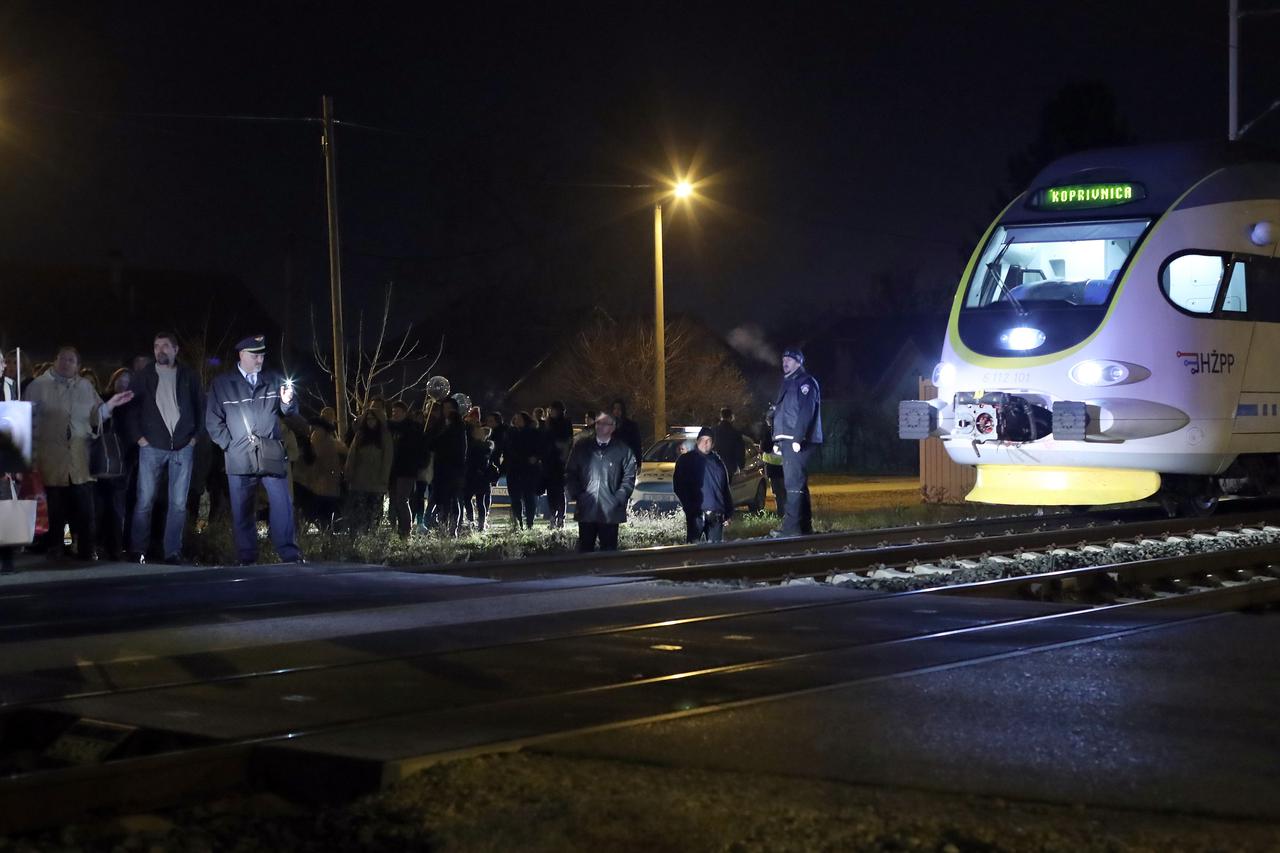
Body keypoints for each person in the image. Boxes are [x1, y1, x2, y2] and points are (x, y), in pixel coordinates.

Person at [26, 346, 134, 559]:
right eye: (63, 359)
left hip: (80, 458)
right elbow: (27, 419)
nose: (67, 363)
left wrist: (111, 404)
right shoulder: (38, 386)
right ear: (55, 360)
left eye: (72, 360)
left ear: (78, 365)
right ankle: (55, 546)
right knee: (55, 509)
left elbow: (97, 416)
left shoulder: (85, 387)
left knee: (86, 509)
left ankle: (87, 548)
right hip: (51, 458)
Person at [205, 335, 303, 565]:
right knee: (242, 509)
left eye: (261, 355)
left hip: (270, 452)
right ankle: (247, 558)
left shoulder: (273, 380)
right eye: (254, 355)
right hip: (239, 455)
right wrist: (228, 445)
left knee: (282, 504)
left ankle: (289, 555)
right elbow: (212, 420)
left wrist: (288, 401)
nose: (259, 360)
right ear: (241, 355)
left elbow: (289, 411)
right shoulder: (222, 384)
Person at [122, 332, 204, 564]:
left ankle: (172, 552)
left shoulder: (188, 376)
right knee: (144, 500)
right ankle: (137, 550)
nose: (160, 350)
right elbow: (131, 409)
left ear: (176, 350)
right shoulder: (144, 376)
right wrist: (139, 438)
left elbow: (201, 407)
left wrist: (194, 438)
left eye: (166, 346)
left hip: (182, 445)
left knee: (178, 503)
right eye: (157, 346)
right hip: (151, 445)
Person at [565, 411, 637, 552]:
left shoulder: (622, 450)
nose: (600, 426)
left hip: (610, 511)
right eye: (598, 423)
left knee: (609, 552)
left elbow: (629, 477)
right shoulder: (582, 447)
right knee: (585, 550)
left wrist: (618, 498)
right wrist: (579, 494)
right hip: (587, 508)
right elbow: (570, 472)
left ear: (612, 427)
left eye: (605, 423)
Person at [771, 347, 822, 537]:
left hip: (798, 439)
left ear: (799, 362)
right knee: (798, 483)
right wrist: (776, 439)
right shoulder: (787, 383)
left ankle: (791, 529)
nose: (785, 362)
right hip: (787, 439)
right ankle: (804, 526)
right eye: (783, 359)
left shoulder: (805, 383)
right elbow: (781, 413)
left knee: (793, 483)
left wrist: (798, 437)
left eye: (789, 360)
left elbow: (805, 411)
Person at [94, 368, 137, 559]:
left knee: (118, 504)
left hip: (125, 457)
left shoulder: (135, 403)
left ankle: (116, 546)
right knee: (101, 504)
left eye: (127, 380)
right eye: (120, 379)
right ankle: (99, 543)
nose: (123, 383)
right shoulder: (104, 399)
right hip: (104, 457)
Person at [673, 426, 734, 543]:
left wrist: (728, 512)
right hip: (696, 514)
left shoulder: (718, 462)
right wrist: (689, 506)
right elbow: (679, 486)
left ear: (713, 444)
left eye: (708, 440)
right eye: (702, 440)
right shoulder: (686, 460)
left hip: (716, 514)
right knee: (692, 551)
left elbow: (724, 488)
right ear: (697, 441)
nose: (705, 443)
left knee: (715, 554)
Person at [344, 407, 393, 532]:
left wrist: (384, 479)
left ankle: (370, 538)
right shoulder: (360, 435)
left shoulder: (384, 437)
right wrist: (349, 473)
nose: (370, 422)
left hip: (376, 482)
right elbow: (352, 455)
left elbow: (387, 459)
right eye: (368, 419)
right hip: (359, 481)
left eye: (373, 419)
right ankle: (357, 538)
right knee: (358, 514)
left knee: (373, 514)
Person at [387, 400, 429, 538]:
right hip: (393, 470)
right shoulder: (391, 428)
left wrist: (418, 465)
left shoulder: (411, 429)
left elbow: (421, 449)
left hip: (406, 470)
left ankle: (405, 530)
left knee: (402, 500)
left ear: (405, 413)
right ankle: (396, 529)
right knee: (394, 500)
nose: (395, 414)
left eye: (397, 412)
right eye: (393, 412)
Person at [504, 411, 542, 531]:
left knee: (529, 497)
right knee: (515, 498)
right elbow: (507, 449)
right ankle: (518, 522)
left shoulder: (533, 433)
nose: (517, 421)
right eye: (516, 418)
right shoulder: (511, 433)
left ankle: (529, 523)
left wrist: (535, 457)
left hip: (528, 469)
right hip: (514, 469)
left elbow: (540, 448)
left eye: (520, 419)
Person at [541, 400, 573, 528]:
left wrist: (563, 454)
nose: (551, 412)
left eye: (553, 409)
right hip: (549, 461)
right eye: (550, 409)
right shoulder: (548, 423)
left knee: (559, 491)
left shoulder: (565, 423)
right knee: (551, 491)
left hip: (560, 461)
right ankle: (552, 516)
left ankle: (561, 517)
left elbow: (568, 441)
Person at [464, 421, 495, 531]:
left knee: (475, 499)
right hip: (478, 476)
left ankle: (475, 521)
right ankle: (476, 521)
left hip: (476, 475)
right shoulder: (486, 446)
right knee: (475, 499)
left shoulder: (482, 446)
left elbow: (474, 459)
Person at [611, 399, 644, 472]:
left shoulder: (631, 426)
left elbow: (637, 445)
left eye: (619, 409)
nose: (616, 411)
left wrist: (638, 464)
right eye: (614, 409)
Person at [712, 407, 746, 475]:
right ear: (731, 417)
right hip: (729, 468)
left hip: (714, 467)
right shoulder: (735, 433)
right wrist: (741, 466)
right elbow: (740, 452)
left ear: (721, 417)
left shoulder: (713, 431)